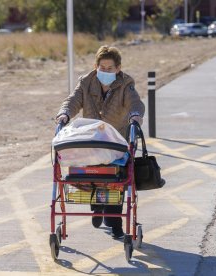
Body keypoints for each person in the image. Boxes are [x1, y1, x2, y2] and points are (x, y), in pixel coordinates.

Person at [56, 45, 145, 239]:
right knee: (91, 176)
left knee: (115, 181)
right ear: (96, 66)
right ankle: (97, 207)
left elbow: (135, 103)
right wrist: (64, 114)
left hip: (116, 141)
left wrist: (136, 116)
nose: (105, 71)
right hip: (92, 140)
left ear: (118, 68)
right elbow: (72, 100)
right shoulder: (86, 82)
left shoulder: (125, 85)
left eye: (110, 68)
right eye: (102, 67)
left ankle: (114, 224)